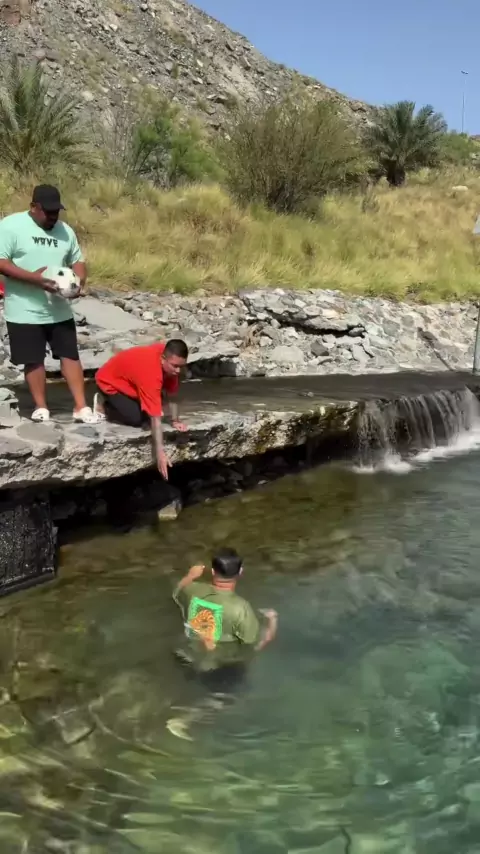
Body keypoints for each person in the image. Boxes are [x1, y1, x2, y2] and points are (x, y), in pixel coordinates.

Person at [0, 184, 100, 423]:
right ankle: (41, 407)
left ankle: (81, 407)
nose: (54, 216)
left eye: (57, 211)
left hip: (59, 309)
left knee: (70, 355)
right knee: (33, 359)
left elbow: (77, 261)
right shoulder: (10, 226)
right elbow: (2, 262)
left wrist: (77, 283)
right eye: (49, 211)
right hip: (23, 309)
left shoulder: (65, 231)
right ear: (34, 207)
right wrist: (35, 279)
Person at [173, 547, 278, 681]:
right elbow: (256, 645)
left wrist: (190, 576)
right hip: (220, 669)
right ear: (240, 572)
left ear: (213, 571)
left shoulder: (191, 590)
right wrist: (272, 621)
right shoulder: (241, 609)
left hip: (187, 657)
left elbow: (176, 593)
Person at [94, 339, 189, 479]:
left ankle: (134, 400)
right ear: (163, 359)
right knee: (138, 419)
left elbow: (172, 394)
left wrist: (175, 420)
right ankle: (104, 405)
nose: (178, 371)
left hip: (132, 382)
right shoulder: (151, 372)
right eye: (175, 366)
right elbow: (156, 418)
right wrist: (160, 453)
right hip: (110, 382)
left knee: (155, 404)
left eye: (181, 366)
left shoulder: (170, 360)